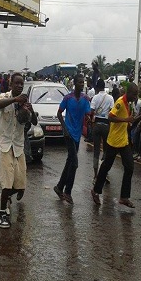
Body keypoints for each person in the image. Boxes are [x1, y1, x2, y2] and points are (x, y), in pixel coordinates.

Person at [0, 73, 37, 228]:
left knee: (20, 185)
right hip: (5, 145)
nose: (19, 86)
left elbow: (34, 121)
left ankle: (5, 198)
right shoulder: (5, 97)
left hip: (18, 146)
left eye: (22, 84)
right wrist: (14, 100)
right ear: (11, 84)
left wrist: (30, 111)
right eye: (17, 83)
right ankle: (2, 213)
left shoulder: (25, 101)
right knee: (7, 181)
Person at [91, 83, 139, 208]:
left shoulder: (128, 103)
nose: (136, 96)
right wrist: (126, 120)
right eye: (134, 94)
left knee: (129, 167)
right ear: (128, 93)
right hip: (113, 141)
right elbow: (111, 116)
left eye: (137, 94)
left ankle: (124, 197)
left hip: (123, 141)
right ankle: (95, 191)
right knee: (106, 166)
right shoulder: (120, 101)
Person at [53, 74, 91, 204]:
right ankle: (67, 192)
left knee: (70, 161)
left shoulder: (86, 99)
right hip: (68, 133)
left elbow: (87, 114)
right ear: (74, 83)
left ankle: (59, 187)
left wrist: (89, 119)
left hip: (77, 133)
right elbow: (59, 113)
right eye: (79, 82)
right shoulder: (67, 98)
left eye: (83, 82)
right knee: (74, 163)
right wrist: (64, 129)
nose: (82, 84)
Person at [90, 79, 114, 183]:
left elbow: (91, 111)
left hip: (97, 125)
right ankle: (105, 174)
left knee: (96, 150)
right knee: (106, 150)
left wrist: (92, 121)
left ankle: (95, 176)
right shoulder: (110, 98)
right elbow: (112, 112)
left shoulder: (95, 97)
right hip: (106, 125)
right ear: (104, 87)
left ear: (97, 87)